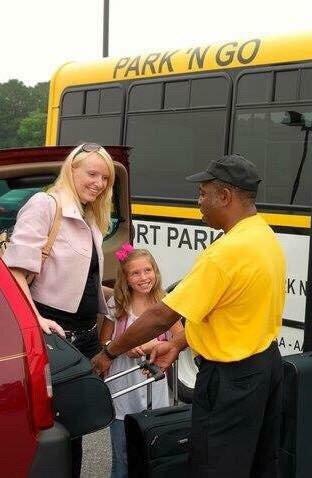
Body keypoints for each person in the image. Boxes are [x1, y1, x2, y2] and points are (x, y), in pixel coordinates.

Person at [92, 153, 286, 478]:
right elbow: (227, 314)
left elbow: (161, 316)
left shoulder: (224, 253)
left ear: (224, 196)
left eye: (203, 193)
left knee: (215, 465)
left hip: (230, 379)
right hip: (265, 366)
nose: (199, 201)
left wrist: (109, 352)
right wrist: (177, 344)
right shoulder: (263, 237)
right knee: (258, 462)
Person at [3, 142, 115, 478]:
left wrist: (123, 298)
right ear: (72, 169)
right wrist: (36, 319)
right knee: (52, 434)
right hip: (52, 337)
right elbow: (15, 272)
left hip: (84, 338)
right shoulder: (45, 204)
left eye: (105, 179)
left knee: (76, 431)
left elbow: (84, 280)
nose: (98, 183)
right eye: (92, 173)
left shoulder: (90, 218)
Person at [101, 245, 183, 478]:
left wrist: (150, 346)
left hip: (153, 385)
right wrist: (119, 348)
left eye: (148, 270)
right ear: (125, 278)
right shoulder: (117, 304)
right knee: (123, 453)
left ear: (155, 272)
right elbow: (104, 340)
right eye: (135, 273)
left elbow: (179, 338)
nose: (143, 277)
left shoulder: (165, 304)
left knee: (152, 448)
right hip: (123, 386)